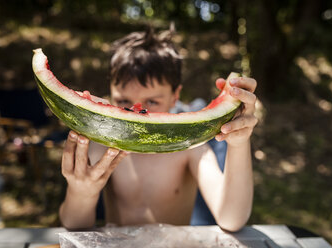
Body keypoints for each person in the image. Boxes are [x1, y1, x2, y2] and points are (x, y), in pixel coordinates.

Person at [59, 27, 258, 232]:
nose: (136, 114)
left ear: (175, 95)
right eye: (124, 101)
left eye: (152, 101)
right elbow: (74, 224)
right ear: (110, 94)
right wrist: (81, 193)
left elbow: (231, 219)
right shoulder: (101, 148)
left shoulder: (190, 149)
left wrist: (239, 143)